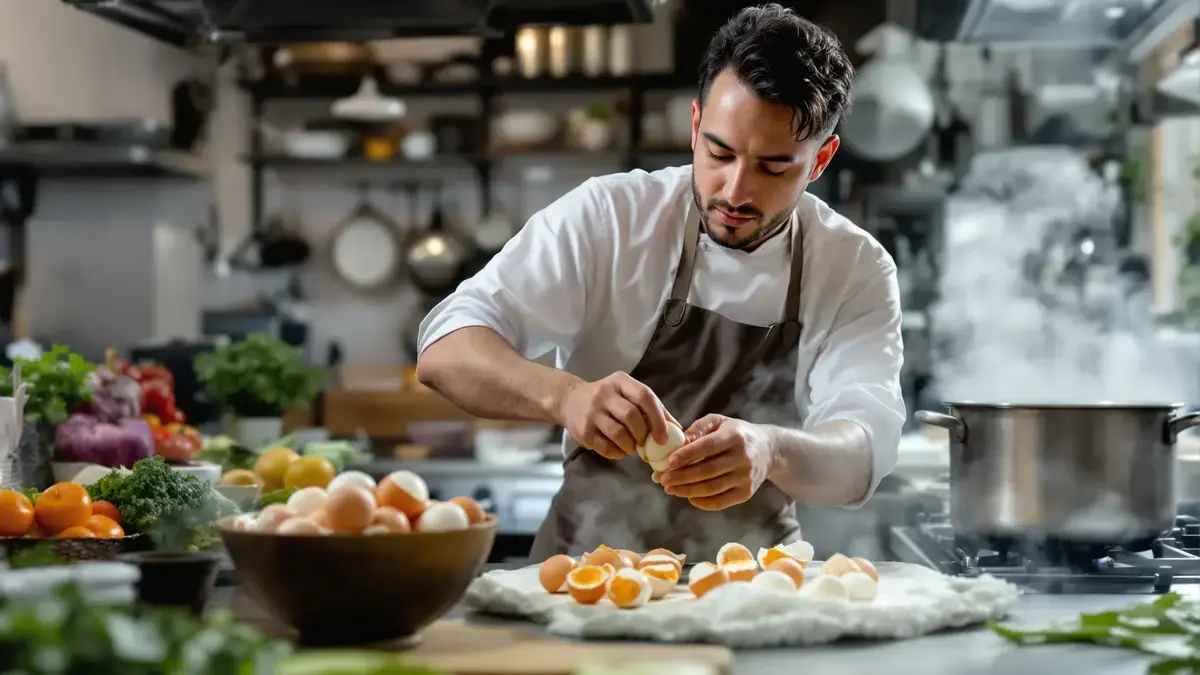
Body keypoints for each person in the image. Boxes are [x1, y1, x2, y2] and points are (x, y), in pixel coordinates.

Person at [416, 4, 905, 561]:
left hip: (753, 588)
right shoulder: (611, 218)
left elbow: (862, 453)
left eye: (774, 167)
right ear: (695, 125)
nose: (736, 191)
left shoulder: (853, 267)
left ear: (820, 160)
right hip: (586, 577)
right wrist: (566, 396)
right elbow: (444, 351)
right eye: (719, 153)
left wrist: (770, 450)